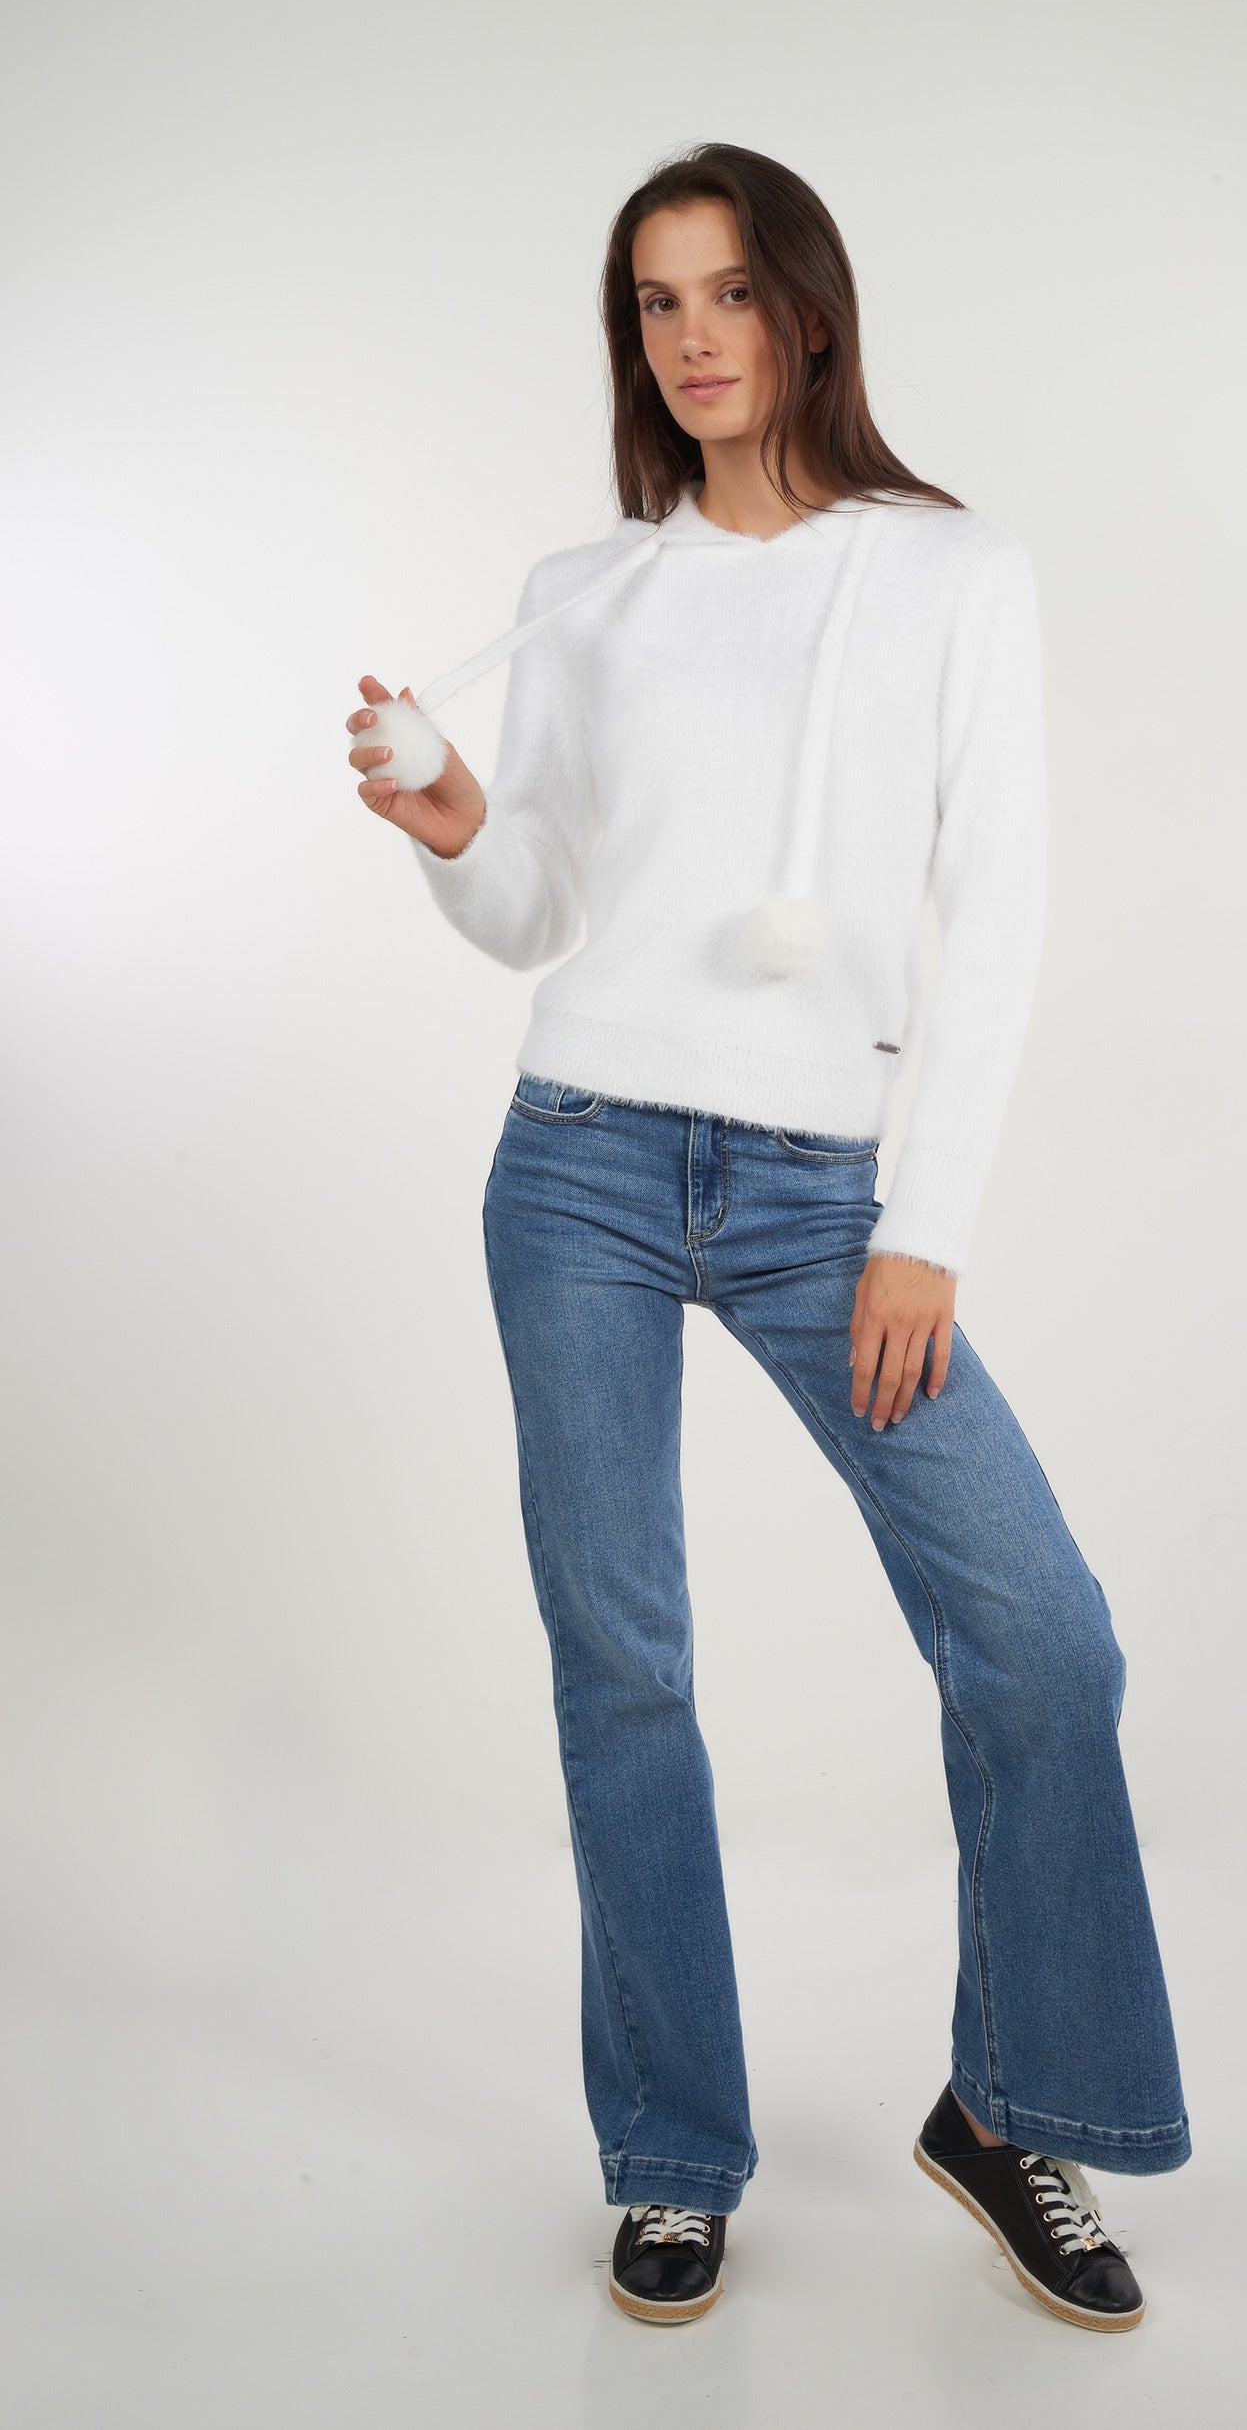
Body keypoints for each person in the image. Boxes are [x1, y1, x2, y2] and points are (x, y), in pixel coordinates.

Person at [347, 141, 1189, 2333]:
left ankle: (1005, 2106)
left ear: (808, 309)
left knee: (1043, 1642)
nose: (693, 336)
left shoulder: (952, 570)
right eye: (655, 302)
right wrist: (454, 824)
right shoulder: (585, 591)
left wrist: (928, 1225)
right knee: (623, 1666)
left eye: (729, 291)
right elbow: (543, 908)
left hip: (831, 1193)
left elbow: (994, 908)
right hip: (581, 1164)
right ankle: (669, 2156)